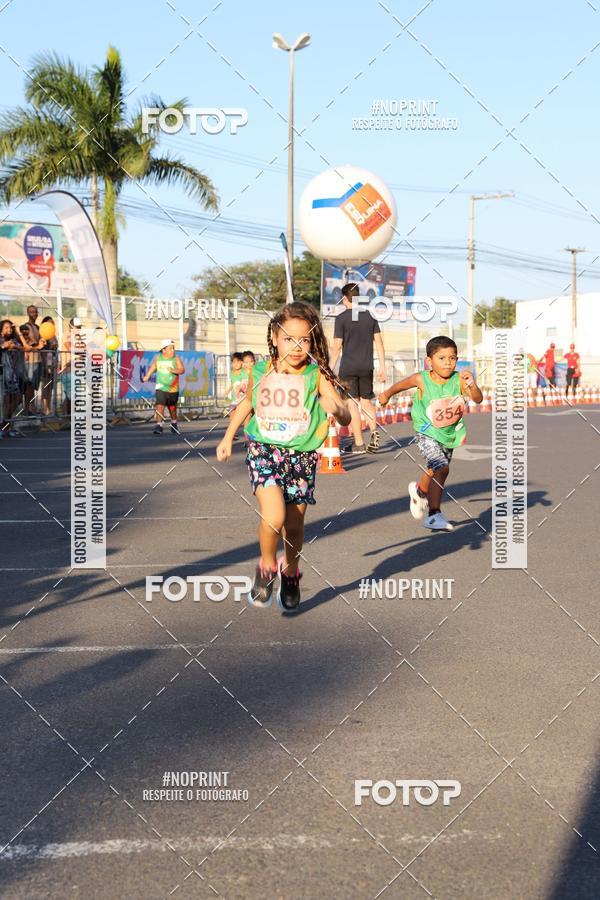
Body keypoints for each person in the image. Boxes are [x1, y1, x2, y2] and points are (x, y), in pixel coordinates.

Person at [216, 301, 350, 610]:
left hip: (301, 457)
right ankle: (266, 568)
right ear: (275, 338)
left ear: (312, 341)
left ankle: (291, 571)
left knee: (294, 526)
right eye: (289, 338)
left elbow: (343, 414)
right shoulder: (262, 369)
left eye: (304, 339)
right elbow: (248, 404)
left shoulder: (317, 375)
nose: (297, 346)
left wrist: (337, 410)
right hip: (264, 451)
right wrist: (228, 436)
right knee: (273, 517)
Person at [379, 336, 482, 532]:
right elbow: (399, 385)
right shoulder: (422, 378)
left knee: (437, 472)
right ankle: (434, 513)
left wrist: (472, 385)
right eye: (442, 358)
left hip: (449, 434)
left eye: (452, 358)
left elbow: (477, 399)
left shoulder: (458, 380)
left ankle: (420, 493)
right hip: (426, 432)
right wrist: (386, 395)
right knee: (441, 467)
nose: (448, 363)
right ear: (429, 361)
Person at [329, 282, 386, 455]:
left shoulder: (341, 318)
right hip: (367, 366)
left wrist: (329, 369)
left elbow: (337, 346)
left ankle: (359, 444)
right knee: (366, 402)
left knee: (352, 404)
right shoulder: (370, 316)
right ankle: (374, 431)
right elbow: (379, 342)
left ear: (344, 298)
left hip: (349, 367)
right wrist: (383, 366)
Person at [142, 339, 185, 435]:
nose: (173, 350)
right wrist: (147, 376)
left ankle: (174, 423)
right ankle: (159, 425)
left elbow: (182, 370)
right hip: (160, 386)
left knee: (172, 408)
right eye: (170, 348)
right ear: (163, 350)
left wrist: (174, 370)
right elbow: (153, 367)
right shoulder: (158, 358)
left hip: (173, 388)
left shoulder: (176, 358)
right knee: (160, 405)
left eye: (173, 348)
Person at [0, 320, 24, 436]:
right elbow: (3, 346)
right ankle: (4, 426)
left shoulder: (13, 340)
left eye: (10, 327)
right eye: (6, 327)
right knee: (5, 401)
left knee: (17, 398)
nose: (8, 329)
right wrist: (4, 345)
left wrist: (18, 331)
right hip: (3, 374)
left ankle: (6, 424)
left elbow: (26, 348)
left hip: (12, 375)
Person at [40, 316, 58, 415]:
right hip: (46, 364)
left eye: (52, 323)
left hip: (53, 363)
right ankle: (45, 408)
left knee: (50, 387)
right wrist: (48, 365)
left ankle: (49, 407)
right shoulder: (44, 336)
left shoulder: (53, 336)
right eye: (49, 323)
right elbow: (45, 353)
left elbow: (54, 350)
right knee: (45, 387)